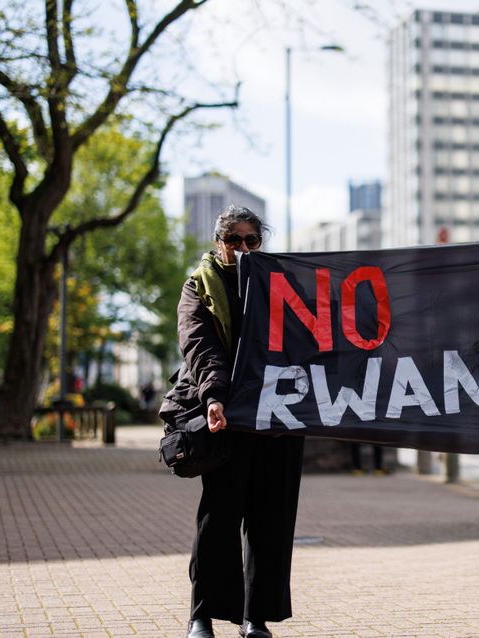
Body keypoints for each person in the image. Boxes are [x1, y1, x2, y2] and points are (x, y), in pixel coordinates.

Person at [159, 205, 305, 638]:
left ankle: (254, 617)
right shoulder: (198, 286)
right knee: (219, 518)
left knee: (271, 520)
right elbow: (200, 347)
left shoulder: (282, 286)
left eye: (252, 241)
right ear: (219, 242)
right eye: (234, 240)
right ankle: (201, 615)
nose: (243, 248)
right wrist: (215, 398)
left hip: (277, 418)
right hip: (224, 416)